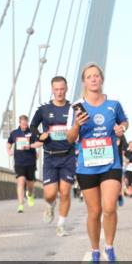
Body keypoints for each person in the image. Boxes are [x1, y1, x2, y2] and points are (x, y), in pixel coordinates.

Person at [66, 64, 129, 264]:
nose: (93, 79)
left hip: (110, 163)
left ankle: (109, 248)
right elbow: (70, 138)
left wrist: (121, 129)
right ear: (84, 82)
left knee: (109, 207)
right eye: (89, 77)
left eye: (96, 76)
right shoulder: (77, 108)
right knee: (94, 211)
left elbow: (124, 122)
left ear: (101, 79)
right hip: (87, 166)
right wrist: (77, 124)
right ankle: (95, 250)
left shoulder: (113, 105)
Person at [31, 77, 77, 236]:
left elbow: (81, 127)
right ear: (52, 90)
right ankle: (50, 205)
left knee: (65, 191)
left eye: (62, 89)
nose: (59, 92)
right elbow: (32, 126)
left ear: (66, 89)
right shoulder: (44, 109)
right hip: (50, 157)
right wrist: (39, 136)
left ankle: (61, 225)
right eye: (56, 89)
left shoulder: (73, 109)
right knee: (50, 194)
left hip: (68, 156)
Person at [7, 114, 41, 213]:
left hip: (30, 161)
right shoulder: (14, 133)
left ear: (27, 123)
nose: (24, 125)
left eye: (26, 124)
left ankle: (29, 194)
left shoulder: (32, 132)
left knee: (30, 183)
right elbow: (9, 143)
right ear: (19, 123)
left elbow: (40, 143)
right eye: (22, 124)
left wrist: (30, 146)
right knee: (20, 181)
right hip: (19, 162)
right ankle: (21, 205)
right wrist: (8, 150)